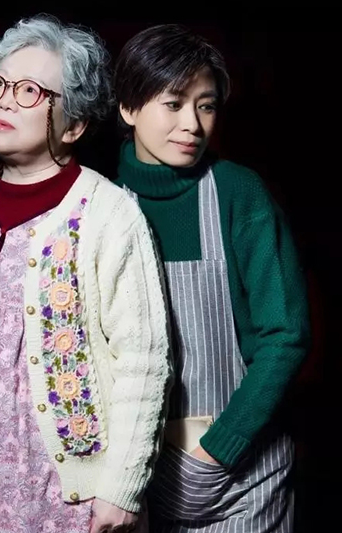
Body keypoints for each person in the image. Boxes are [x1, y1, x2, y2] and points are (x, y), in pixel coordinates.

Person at [0, 14, 172, 533]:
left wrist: (122, 489)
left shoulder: (110, 215)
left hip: (58, 500)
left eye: (29, 91)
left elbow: (144, 362)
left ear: (74, 124)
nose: (4, 101)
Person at [113, 23, 311, 533]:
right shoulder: (102, 207)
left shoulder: (238, 193)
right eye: (173, 103)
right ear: (128, 108)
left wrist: (220, 448)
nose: (193, 125)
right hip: (136, 483)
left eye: (206, 106)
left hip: (245, 479)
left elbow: (285, 335)